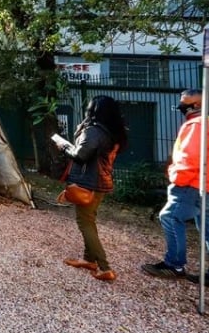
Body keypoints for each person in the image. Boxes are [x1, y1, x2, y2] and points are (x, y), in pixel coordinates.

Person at [56, 95, 128, 282]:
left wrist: (63, 147)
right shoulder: (113, 132)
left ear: (94, 110)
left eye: (89, 106)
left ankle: (105, 267)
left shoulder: (94, 131)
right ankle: (89, 260)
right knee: (89, 219)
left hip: (89, 183)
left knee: (85, 223)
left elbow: (80, 156)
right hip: (101, 182)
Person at [142, 89, 209, 282]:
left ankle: (174, 265)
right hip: (204, 183)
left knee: (170, 217)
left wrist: (176, 178)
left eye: (184, 102)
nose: (181, 106)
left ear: (196, 105)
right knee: (206, 226)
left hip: (191, 183)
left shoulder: (196, 125)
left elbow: (190, 158)